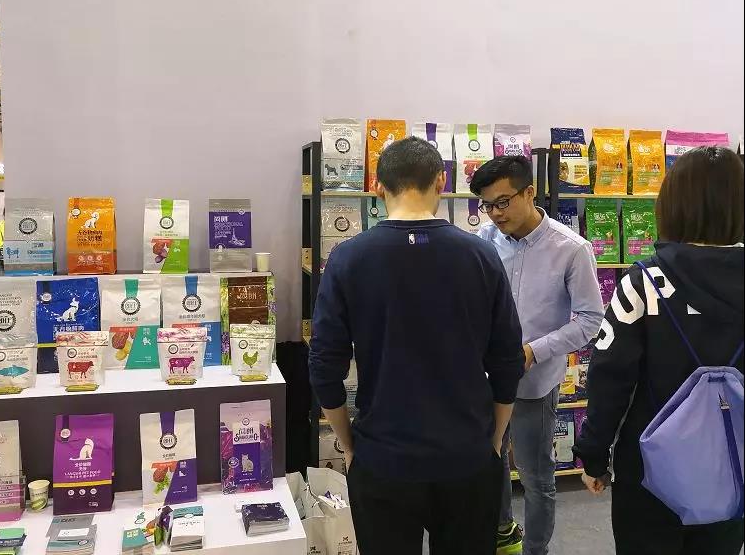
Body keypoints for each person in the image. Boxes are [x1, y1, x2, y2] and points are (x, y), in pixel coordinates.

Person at [308, 137, 525, 555]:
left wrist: (349, 445)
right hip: (467, 455)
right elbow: (507, 360)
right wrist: (494, 440)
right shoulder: (481, 256)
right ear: (441, 181)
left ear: (377, 186)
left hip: (382, 456)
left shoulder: (348, 258)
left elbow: (323, 365)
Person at [573, 146, 745, 555]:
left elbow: (609, 377)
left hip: (651, 467)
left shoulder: (644, 282)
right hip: (734, 462)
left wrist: (594, 456)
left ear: (671, 204)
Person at [470, 156, 604, 555]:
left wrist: (534, 350)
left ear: (529, 192)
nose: (495, 213)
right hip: (486, 379)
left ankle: (536, 549)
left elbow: (590, 320)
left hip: (535, 383)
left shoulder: (572, 249)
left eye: (503, 202)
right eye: (487, 205)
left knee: (535, 475)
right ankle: (502, 533)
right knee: (489, 461)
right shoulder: (483, 241)